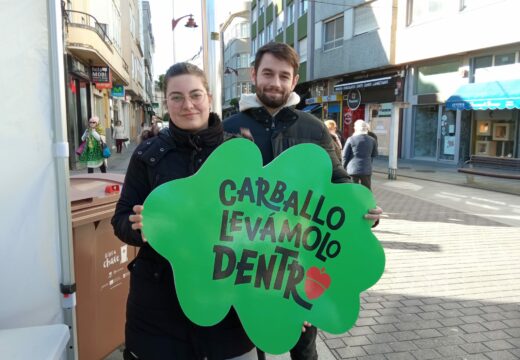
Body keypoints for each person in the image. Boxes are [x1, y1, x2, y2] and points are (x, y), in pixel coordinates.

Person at [223, 42, 382, 360]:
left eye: (284, 75)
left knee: (303, 342)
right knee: (245, 339)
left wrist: (363, 210)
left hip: (300, 258)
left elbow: (338, 181)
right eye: (268, 73)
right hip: (245, 260)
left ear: (294, 81)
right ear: (254, 75)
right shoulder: (227, 129)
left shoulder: (313, 129)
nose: (275, 82)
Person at [111, 62, 256, 360]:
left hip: (228, 307)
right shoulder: (147, 155)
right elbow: (121, 218)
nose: (187, 105)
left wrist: (287, 298)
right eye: (176, 97)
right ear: (166, 103)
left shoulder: (240, 152)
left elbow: (269, 227)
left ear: (209, 97)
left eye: (195, 94)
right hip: (160, 307)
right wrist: (139, 227)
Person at [342, 119, 378, 190]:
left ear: (356, 128)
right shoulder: (372, 140)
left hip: (352, 169)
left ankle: (353, 201)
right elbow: (374, 154)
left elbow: (344, 156)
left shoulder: (351, 139)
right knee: (367, 190)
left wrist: (343, 168)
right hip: (366, 169)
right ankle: (366, 201)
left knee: (352, 190)